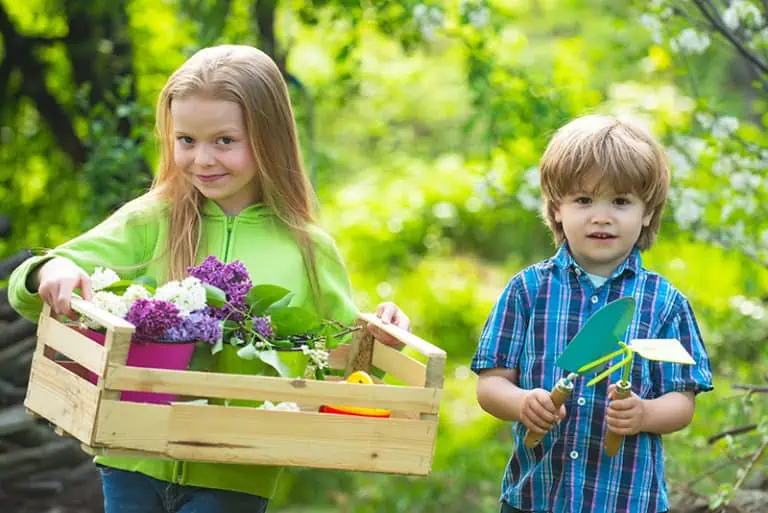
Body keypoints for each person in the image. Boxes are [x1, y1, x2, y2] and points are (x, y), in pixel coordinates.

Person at [8, 45, 410, 513]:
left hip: (235, 468)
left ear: (269, 139)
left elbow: (340, 361)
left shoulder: (306, 248)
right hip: (133, 456)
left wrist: (382, 337)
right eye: (186, 140)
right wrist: (50, 269)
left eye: (224, 141)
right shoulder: (152, 221)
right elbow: (28, 286)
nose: (203, 159)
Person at [471, 115, 713, 513]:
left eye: (621, 201)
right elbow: (490, 383)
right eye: (584, 200)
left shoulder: (664, 302)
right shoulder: (527, 291)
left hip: (626, 500)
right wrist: (521, 403)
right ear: (557, 209)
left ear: (647, 213)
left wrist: (645, 412)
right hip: (535, 498)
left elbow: (682, 400)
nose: (602, 216)